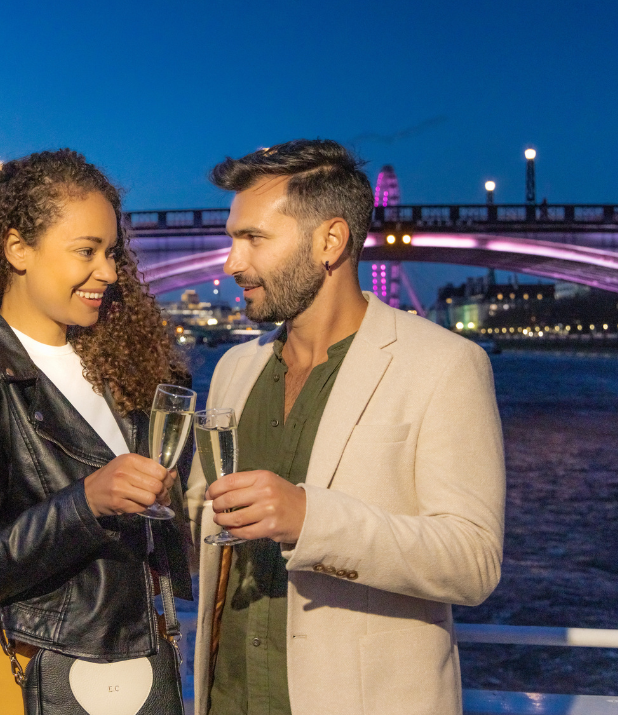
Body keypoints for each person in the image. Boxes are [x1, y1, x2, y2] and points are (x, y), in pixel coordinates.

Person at [186, 140, 505, 715]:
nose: (231, 263)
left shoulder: (445, 365)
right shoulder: (235, 370)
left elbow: (473, 561)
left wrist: (313, 519)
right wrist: (160, 505)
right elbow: (206, 531)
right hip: (226, 698)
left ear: (330, 241)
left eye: (253, 238)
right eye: (233, 239)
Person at [0, 149, 193, 715]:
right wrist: (86, 503)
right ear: (18, 249)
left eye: (111, 252)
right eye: (86, 252)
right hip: (27, 676)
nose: (110, 272)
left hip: (138, 671)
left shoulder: (120, 364)